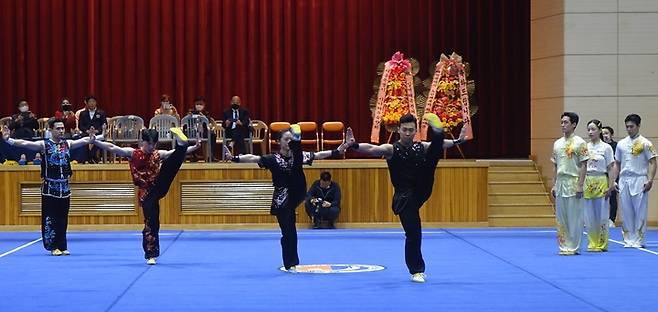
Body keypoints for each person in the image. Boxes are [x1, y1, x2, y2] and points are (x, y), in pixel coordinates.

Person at [346, 113, 467, 283]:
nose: (408, 133)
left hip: (422, 188)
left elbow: (438, 146)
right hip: (404, 196)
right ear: (399, 131)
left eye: (411, 130)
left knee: (432, 152)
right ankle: (417, 271)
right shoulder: (391, 149)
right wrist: (355, 145)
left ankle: (438, 132)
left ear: (416, 131)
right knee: (414, 232)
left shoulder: (421, 146)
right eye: (405, 130)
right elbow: (373, 149)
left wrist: (457, 141)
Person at [223, 124, 349, 272]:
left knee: (299, 158)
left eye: (291, 140)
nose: (288, 142)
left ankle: (292, 261)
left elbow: (318, 154)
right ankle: (290, 263)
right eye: (286, 139)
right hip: (282, 199)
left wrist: (337, 151)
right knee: (288, 231)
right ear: (279, 142)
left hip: (297, 191)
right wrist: (234, 158)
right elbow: (253, 158)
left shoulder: (298, 156)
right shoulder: (273, 159)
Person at [91, 125, 200, 264]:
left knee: (171, 163)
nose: (151, 147)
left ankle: (181, 143)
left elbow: (173, 154)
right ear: (143, 142)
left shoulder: (157, 154)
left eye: (153, 144)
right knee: (152, 222)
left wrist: (193, 147)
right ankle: (151, 254)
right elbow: (112, 148)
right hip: (146, 193)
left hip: (159, 185)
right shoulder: (133, 153)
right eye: (148, 144)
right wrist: (95, 142)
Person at [1, 120, 101, 255]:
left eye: (62, 128)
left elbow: (85, 141)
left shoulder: (68, 144)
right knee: (50, 218)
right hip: (50, 188)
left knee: (63, 218)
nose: (61, 131)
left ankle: (63, 246)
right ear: (51, 130)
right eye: (58, 128)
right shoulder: (45, 145)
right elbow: (26, 144)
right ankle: (53, 246)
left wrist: (101, 136)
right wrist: (9, 140)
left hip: (64, 188)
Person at [615, 114, 657, 248]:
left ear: (638, 126)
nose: (629, 129)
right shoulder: (621, 144)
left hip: (639, 178)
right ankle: (628, 239)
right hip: (624, 179)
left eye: (631, 126)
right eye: (627, 126)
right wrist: (614, 181)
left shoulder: (646, 143)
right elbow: (617, 163)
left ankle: (639, 239)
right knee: (626, 211)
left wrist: (650, 180)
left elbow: (653, 161)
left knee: (640, 210)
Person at [551, 112, 589, 256]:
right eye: (561, 122)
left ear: (573, 124)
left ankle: (573, 246)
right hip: (561, 182)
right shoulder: (557, 143)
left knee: (574, 216)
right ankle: (563, 245)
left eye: (566, 122)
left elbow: (584, 165)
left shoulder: (580, 143)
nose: (562, 125)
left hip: (573, 181)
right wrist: (554, 183)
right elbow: (555, 165)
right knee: (561, 216)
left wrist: (580, 184)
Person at [583, 120, 616, 252]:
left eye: (593, 129)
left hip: (601, 180)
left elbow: (611, 167)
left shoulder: (606, 148)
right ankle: (592, 243)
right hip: (588, 180)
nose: (590, 132)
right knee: (589, 215)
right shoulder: (585, 147)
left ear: (599, 131)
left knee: (602, 214)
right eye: (588, 130)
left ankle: (602, 244)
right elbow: (582, 167)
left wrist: (611, 185)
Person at [78, 95, 107, 163]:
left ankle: (89, 157)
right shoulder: (83, 113)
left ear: (96, 103)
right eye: (90, 102)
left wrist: (97, 130)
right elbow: (80, 125)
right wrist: (87, 131)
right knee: (82, 139)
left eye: (93, 101)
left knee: (100, 139)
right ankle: (93, 158)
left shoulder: (101, 113)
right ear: (87, 103)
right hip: (86, 133)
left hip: (97, 133)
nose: (92, 103)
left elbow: (104, 124)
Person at [186, 96, 217, 161]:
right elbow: (186, 122)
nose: (199, 106)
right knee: (188, 135)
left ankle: (211, 156)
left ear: (204, 105)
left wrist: (203, 117)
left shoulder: (206, 113)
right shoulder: (191, 112)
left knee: (212, 135)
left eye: (201, 104)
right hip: (193, 132)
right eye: (197, 104)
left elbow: (209, 123)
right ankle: (193, 155)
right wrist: (189, 116)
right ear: (194, 105)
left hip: (204, 132)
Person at [602, 126, 618, 227]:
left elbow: (617, 162)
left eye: (606, 133)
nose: (604, 135)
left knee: (612, 198)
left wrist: (614, 179)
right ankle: (601, 218)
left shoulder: (616, 146)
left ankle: (611, 219)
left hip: (613, 174)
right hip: (602, 175)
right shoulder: (600, 146)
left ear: (611, 135)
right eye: (603, 134)